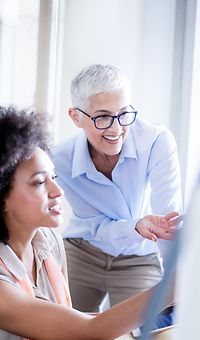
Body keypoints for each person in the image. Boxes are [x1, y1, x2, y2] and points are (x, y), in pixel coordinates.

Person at [0, 106, 173, 340]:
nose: (57, 191)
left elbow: (69, 320)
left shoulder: (49, 242)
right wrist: (175, 286)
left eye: (53, 177)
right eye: (39, 182)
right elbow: (92, 331)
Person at [52, 64, 183, 312]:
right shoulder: (60, 160)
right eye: (102, 117)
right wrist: (135, 225)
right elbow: (96, 226)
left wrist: (176, 283)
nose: (116, 129)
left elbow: (169, 223)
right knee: (61, 332)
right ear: (76, 116)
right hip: (83, 251)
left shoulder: (155, 141)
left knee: (140, 338)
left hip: (139, 257)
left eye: (123, 114)